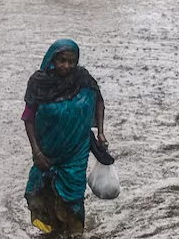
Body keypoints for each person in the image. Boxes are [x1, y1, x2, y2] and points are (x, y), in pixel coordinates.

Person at [23, 39, 107, 237]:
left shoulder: (83, 79)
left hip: (76, 151)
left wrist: (101, 132)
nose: (67, 66)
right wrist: (36, 151)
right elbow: (28, 118)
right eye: (62, 60)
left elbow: (99, 102)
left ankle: (76, 232)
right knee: (41, 191)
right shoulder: (39, 83)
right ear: (52, 59)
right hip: (47, 152)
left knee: (74, 197)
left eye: (71, 61)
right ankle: (55, 230)